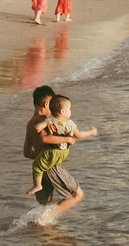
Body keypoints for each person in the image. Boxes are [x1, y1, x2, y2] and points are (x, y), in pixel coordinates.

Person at [24, 86, 86, 222]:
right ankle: (44, 221)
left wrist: (41, 157)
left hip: (39, 170)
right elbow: (47, 138)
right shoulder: (47, 121)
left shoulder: (30, 124)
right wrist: (68, 139)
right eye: (52, 104)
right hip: (50, 166)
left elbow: (27, 152)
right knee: (77, 195)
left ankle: (46, 232)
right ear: (46, 104)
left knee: (48, 203)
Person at [27, 94, 97, 195]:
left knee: (37, 166)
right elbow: (79, 135)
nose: (70, 111)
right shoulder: (70, 124)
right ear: (63, 111)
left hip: (52, 152)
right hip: (64, 153)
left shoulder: (50, 121)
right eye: (70, 109)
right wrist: (91, 132)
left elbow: (37, 128)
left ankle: (37, 185)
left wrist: (40, 125)